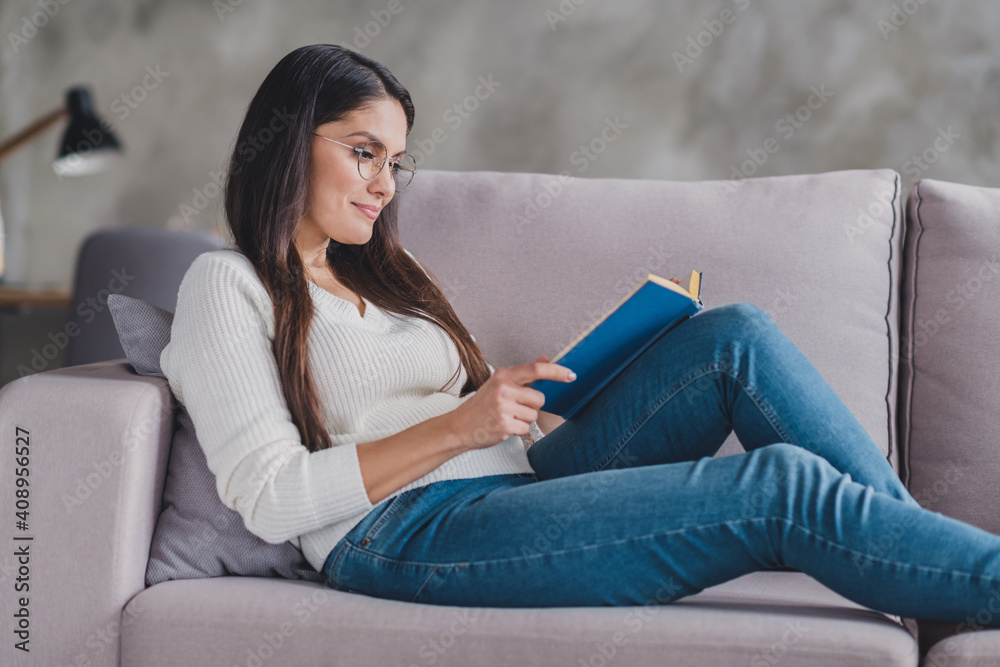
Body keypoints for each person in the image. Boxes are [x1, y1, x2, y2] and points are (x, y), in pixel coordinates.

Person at [161, 43, 1000, 623]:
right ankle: (960, 578)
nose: (385, 184)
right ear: (288, 140)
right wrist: (462, 425)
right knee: (778, 486)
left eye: (394, 162)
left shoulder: (387, 269)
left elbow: (469, 414)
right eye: (363, 152)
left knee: (735, 337)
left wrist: (523, 396)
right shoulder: (227, 284)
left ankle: (926, 569)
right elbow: (272, 499)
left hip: (516, 476)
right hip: (402, 531)